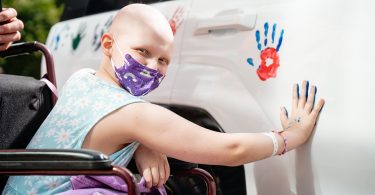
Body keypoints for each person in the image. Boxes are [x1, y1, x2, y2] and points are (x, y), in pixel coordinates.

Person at [3, 3, 325, 195]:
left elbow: (98, 128)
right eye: (143, 51)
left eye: (164, 60)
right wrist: (288, 137)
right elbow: (230, 149)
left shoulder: (80, 80)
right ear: (108, 43)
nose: (152, 66)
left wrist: (145, 142)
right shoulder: (136, 116)